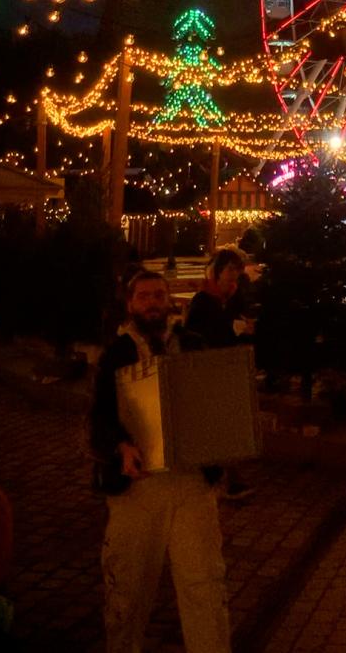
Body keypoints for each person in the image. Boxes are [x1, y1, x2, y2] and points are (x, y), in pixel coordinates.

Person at [89, 268, 231, 653]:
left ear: (169, 302)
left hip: (190, 484)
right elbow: (99, 418)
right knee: (128, 592)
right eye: (144, 296)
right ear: (131, 304)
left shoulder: (193, 344)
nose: (152, 303)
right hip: (138, 489)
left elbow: (214, 402)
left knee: (204, 584)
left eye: (158, 295)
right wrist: (121, 446)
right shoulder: (115, 354)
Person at [184, 245, 256, 501]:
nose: (233, 276)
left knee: (227, 424)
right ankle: (222, 477)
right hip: (208, 368)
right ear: (217, 272)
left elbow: (241, 324)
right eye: (229, 270)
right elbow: (193, 335)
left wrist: (246, 331)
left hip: (230, 365)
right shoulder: (203, 300)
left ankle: (228, 477)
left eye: (237, 271)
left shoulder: (235, 298)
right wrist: (229, 329)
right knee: (216, 424)